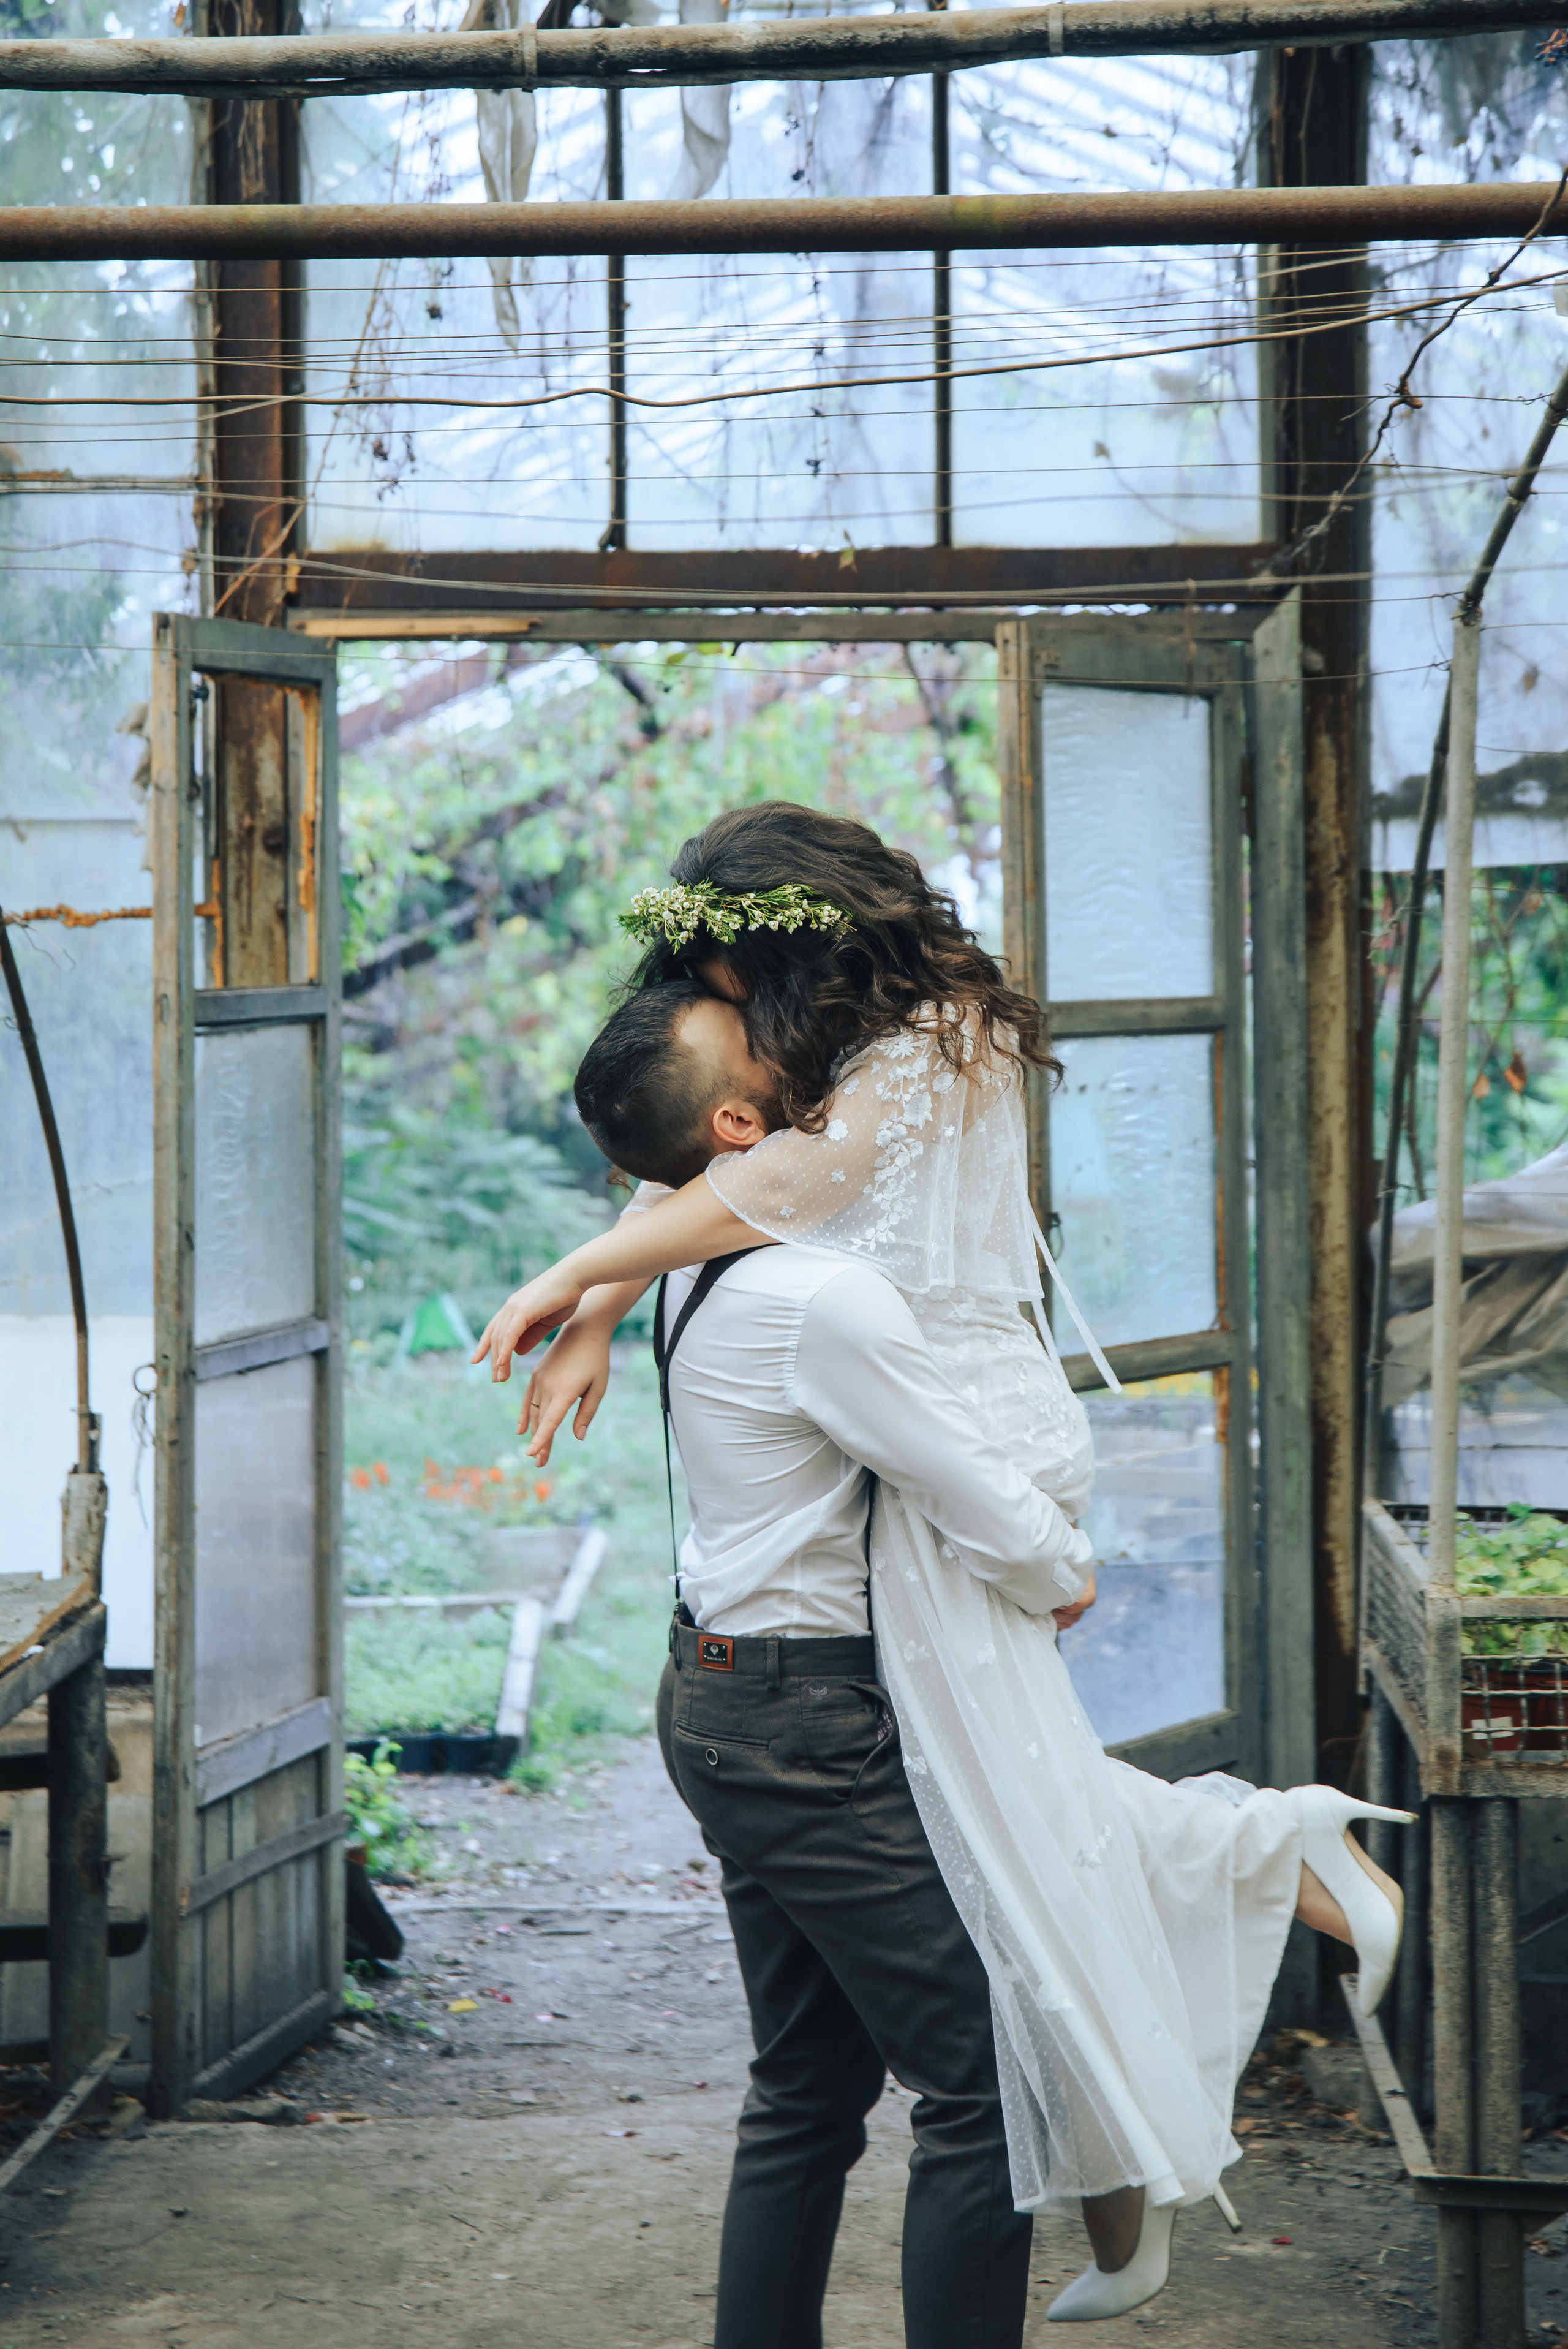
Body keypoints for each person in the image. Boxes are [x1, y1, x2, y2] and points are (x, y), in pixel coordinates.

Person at [476, 808, 1412, 2322]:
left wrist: (574, 1279)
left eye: (722, 969)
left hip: (948, 1432)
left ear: (795, 943)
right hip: (889, 1471)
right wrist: (594, 1297)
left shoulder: (929, 1042)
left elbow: (759, 1174)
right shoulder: (811, 1109)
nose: (727, 1012)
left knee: (1006, 1820)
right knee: (1010, 1830)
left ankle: (1147, 2128)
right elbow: (710, 1157)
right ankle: (1188, 2042)